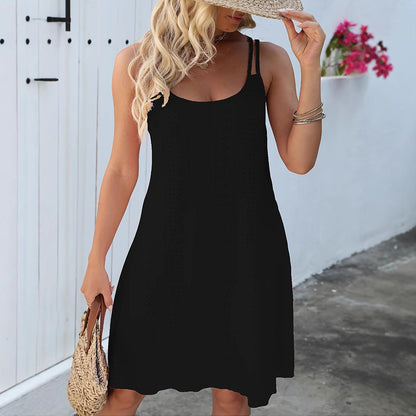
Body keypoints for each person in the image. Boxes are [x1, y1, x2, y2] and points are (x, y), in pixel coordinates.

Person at [81, 0, 326, 415]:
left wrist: (310, 65)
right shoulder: (139, 63)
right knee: (123, 391)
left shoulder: (266, 59)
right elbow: (122, 169)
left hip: (247, 250)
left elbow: (300, 161)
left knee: (232, 395)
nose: (241, 10)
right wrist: (96, 260)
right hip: (164, 248)